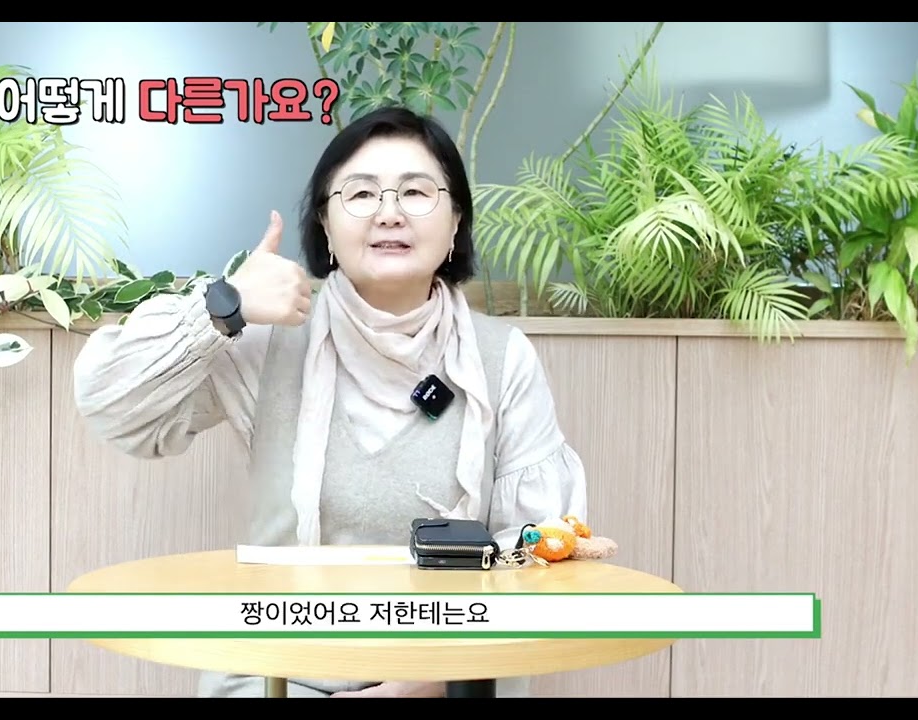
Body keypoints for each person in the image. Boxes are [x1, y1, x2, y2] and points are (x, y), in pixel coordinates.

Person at [71, 106, 589, 698]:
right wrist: (222, 305)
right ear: (324, 224)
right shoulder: (268, 340)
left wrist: (415, 684)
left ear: (455, 224)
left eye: (416, 192)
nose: (390, 213)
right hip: (275, 676)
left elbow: (538, 554)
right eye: (361, 193)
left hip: (447, 678)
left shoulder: (502, 359)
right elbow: (110, 405)